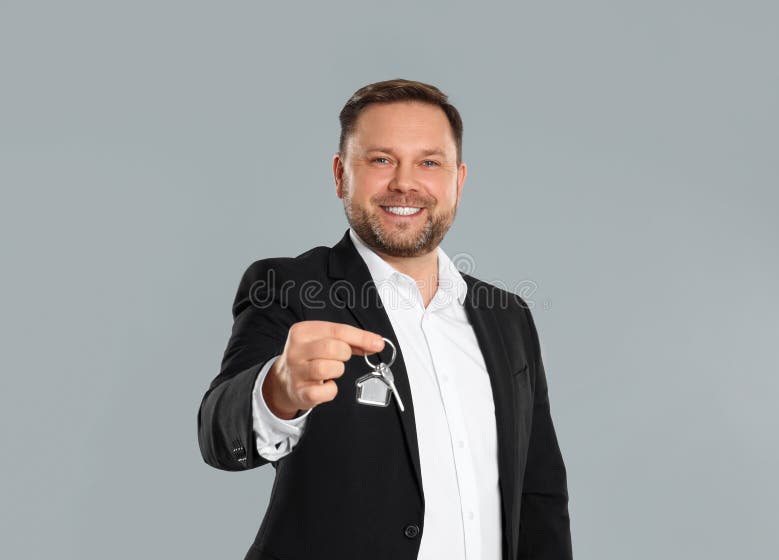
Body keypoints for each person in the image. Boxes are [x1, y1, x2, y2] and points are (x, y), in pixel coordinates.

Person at [197, 78, 573, 560]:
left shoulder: (508, 317)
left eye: (429, 162)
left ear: (458, 181)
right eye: (381, 160)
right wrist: (277, 389)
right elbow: (216, 430)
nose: (405, 182)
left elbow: (538, 490)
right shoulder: (287, 287)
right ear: (339, 175)